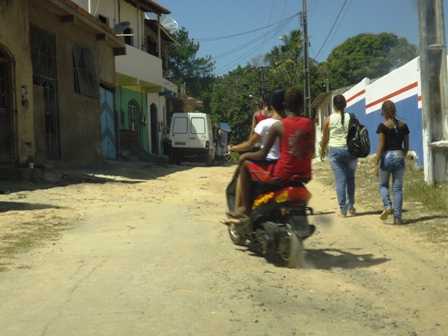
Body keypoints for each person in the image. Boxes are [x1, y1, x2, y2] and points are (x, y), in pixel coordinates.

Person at [228, 88, 315, 219]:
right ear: (302, 104)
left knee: (245, 165)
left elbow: (261, 154)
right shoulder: (309, 124)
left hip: (282, 174)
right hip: (305, 174)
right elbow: (311, 151)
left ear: (285, 105)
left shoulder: (278, 126)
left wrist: (244, 156)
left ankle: (244, 208)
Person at [228, 90, 285, 211]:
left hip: (268, 163)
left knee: (243, 165)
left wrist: (233, 147)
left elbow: (250, 143)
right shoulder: (290, 123)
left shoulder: (263, 122)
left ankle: (240, 209)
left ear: (270, 106)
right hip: (284, 165)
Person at [320, 94, 357, 217]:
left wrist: (322, 151)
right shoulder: (352, 117)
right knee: (350, 179)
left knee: (340, 180)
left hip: (335, 151)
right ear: (345, 104)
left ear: (334, 105)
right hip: (350, 151)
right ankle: (351, 206)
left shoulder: (328, 119)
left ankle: (343, 209)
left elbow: (325, 139)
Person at [375, 100, 409, 225]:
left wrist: (376, 162)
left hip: (387, 156)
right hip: (399, 155)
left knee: (383, 185)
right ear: (394, 111)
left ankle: (388, 206)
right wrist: (402, 157)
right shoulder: (404, 125)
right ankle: (398, 218)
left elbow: (381, 145)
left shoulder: (383, 126)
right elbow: (406, 146)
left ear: (384, 112)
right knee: (398, 189)